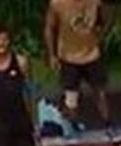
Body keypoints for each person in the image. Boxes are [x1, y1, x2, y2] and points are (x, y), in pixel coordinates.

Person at [44, 0, 114, 133]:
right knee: (71, 97)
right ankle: (71, 127)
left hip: (91, 54)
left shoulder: (95, 2)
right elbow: (49, 28)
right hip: (68, 55)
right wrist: (52, 55)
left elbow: (108, 16)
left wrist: (101, 35)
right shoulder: (57, 4)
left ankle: (108, 124)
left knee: (100, 92)